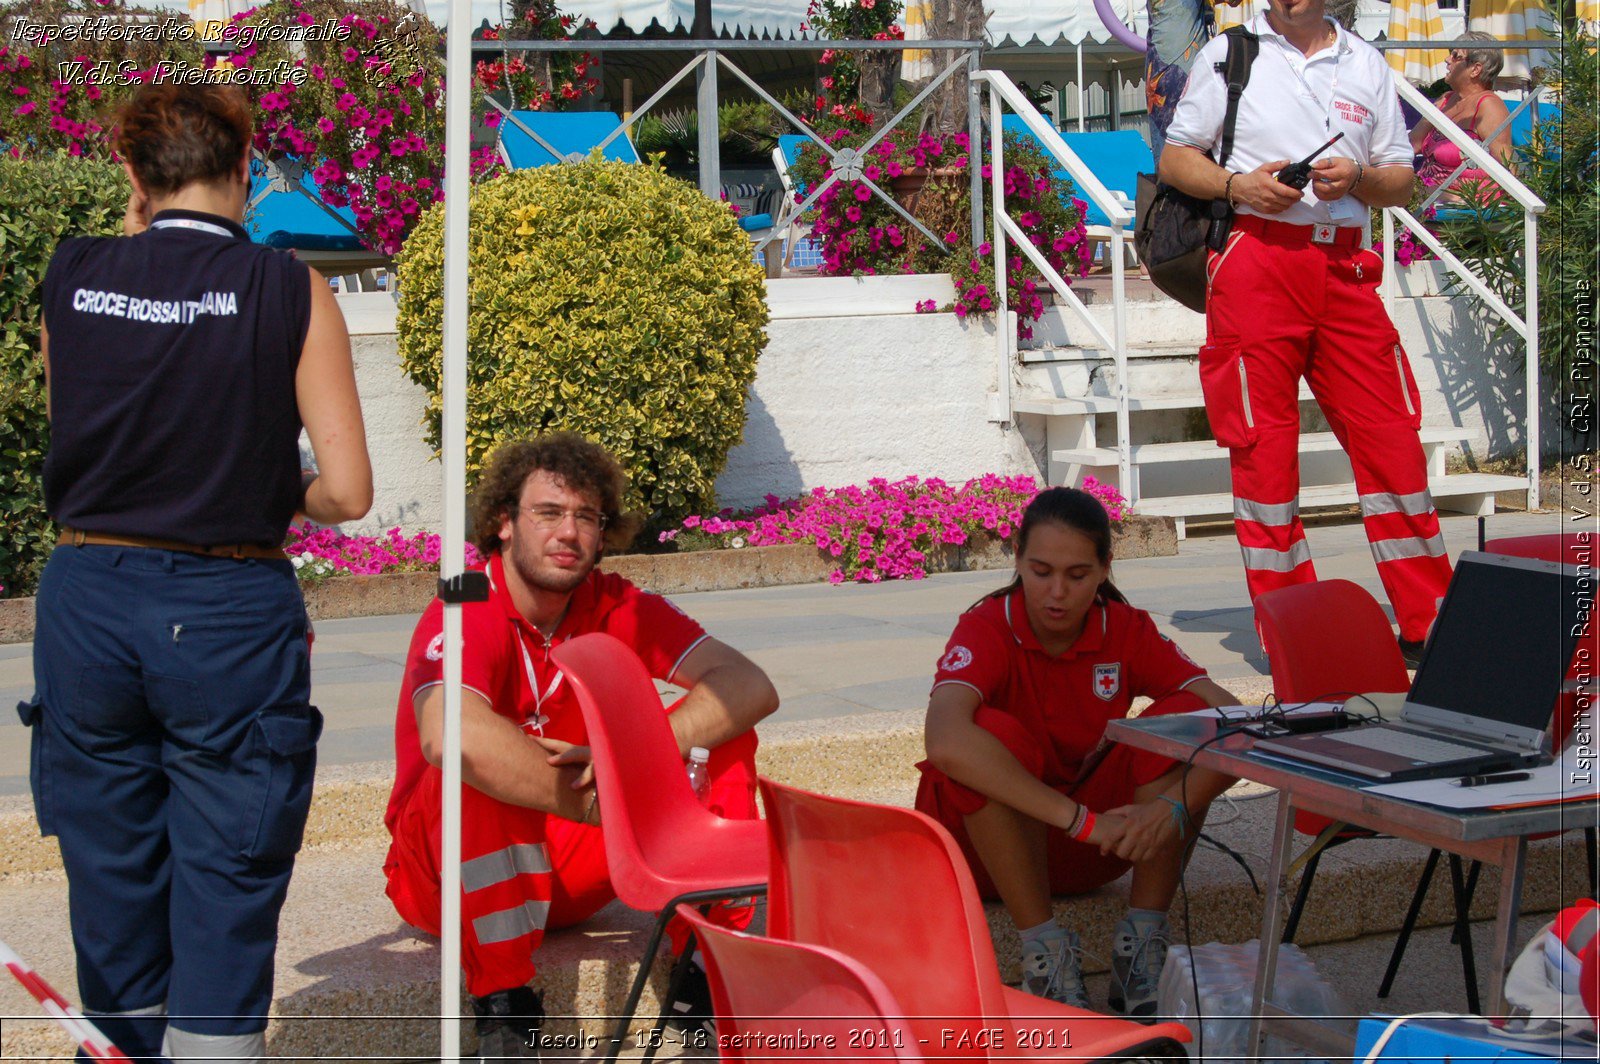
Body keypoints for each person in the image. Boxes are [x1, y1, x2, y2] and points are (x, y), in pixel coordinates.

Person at [23, 84, 373, 1061]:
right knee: (228, 864)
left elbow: (91, 433)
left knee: (110, 867)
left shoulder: (74, 273)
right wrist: (268, 469)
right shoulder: (285, 285)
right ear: (247, 169)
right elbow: (345, 490)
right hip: (223, 608)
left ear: (133, 176)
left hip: (88, 599)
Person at [383, 432, 779, 1060]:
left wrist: (636, 753)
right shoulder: (464, 598)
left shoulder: (616, 602)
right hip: (448, 876)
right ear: (504, 523)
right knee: (477, 757)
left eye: (586, 517)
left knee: (725, 732)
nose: (568, 532)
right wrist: (619, 805)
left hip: (569, 865)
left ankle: (704, 962)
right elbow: (444, 732)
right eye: (547, 513)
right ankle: (506, 1005)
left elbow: (750, 686)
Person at [1158, 0, 1452, 665]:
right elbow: (1177, 158)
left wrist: (1362, 178)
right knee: (1262, 453)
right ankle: (1298, 631)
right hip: (1256, 262)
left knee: (1392, 444)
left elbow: (1401, 180)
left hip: (1345, 268)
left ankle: (1428, 623)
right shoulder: (1230, 54)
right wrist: (1238, 186)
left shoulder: (1366, 63)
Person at [916, 488, 1238, 1019]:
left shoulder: (1127, 628)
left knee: (1183, 716)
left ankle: (1141, 947)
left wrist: (1172, 807)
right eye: (1041, 572)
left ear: (1106, 569)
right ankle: (1044, 954)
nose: (1057, 593)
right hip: (990, 857)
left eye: (1078, 574)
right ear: (1016, 558)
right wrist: (1081, 821)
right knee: (985, 733)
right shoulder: (987, 625)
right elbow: (945, 740)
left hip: (1104, 849)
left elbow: (1233, 721)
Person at [1410, 33, 1514, 198]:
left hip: (1463, 208)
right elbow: (1411, 145)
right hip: (1425, 198)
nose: (1447, 59)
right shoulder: (1446, 99)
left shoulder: (1488, 106)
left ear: (1475, 69)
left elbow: (1507, 167)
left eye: (1455, 56)